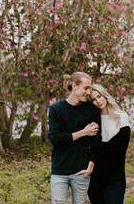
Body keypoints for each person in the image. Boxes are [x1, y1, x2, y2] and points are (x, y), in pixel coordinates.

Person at [48, 72, 101, 204]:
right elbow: (55, 139)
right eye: (86, 88)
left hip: (82, 172)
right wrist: (83, 132)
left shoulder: (92, 110)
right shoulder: (56, 109)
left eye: (89, 88)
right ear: (74, 86)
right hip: (60, 172)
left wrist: (90, 167)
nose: (88, 92)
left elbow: (97, 142)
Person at [81, 84, 131, 204]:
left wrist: (98, 146)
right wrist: (102, 146)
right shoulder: (92, 121)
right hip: (95, 175)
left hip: (115, 174)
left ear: (105, 95)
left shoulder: (122, 117)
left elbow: (120, 148)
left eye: (99, 96)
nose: (98, 101)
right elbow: (92, 147)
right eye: (93, 99)